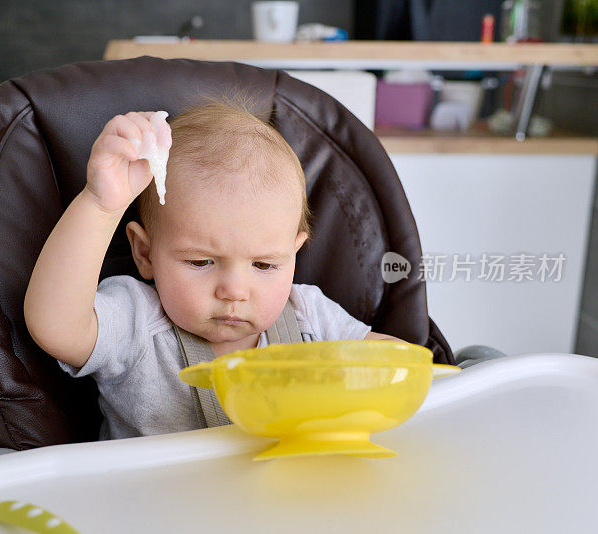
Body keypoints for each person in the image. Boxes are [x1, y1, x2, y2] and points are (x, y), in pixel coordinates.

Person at [23, 101, 402, 440]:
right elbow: (56, 327)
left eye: (265, 265)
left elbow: (393, 361)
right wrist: (101, 205)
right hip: (157, 506)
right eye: (201, 262)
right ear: (145, 253)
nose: (235, 291)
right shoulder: (137, 322)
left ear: (294, 254)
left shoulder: (308, 317)